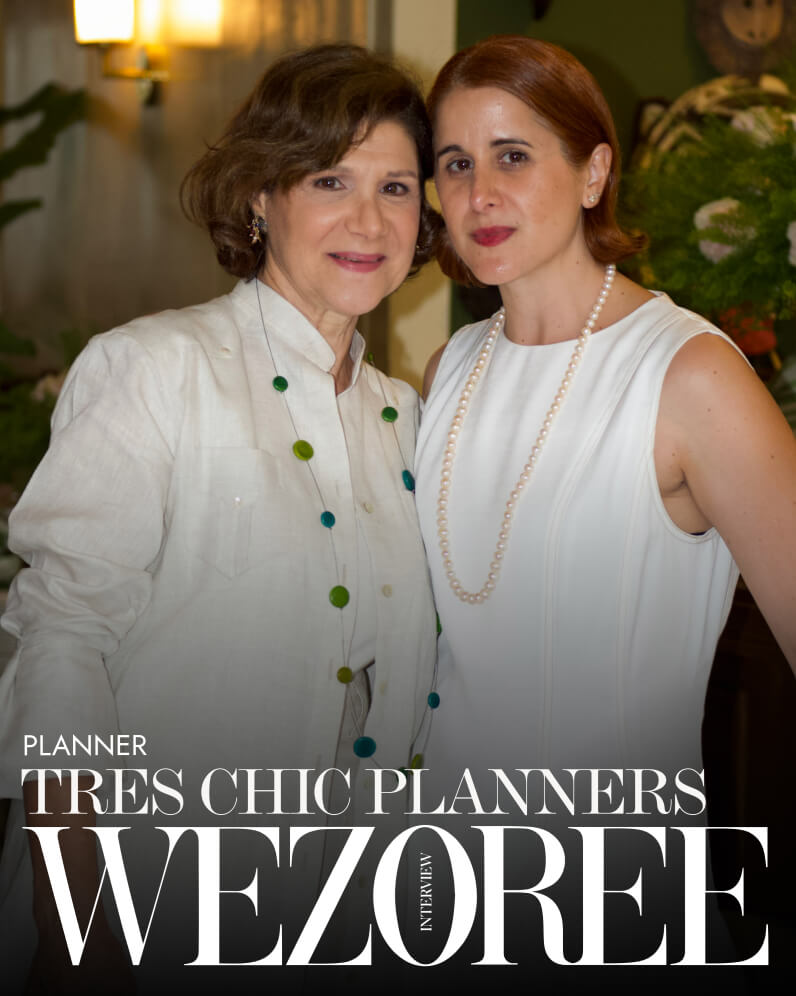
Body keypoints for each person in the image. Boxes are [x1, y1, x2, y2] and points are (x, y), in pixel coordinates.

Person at [0, 43, 439, 991]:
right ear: (260, 197)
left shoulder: (409, 422)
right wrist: (75, 906)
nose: (369, 220)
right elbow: (63, 636)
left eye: (397, 188)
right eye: (331, 179)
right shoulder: (154, 370)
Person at [414, 35, 796, 980]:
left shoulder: (690, 374)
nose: (480, 194)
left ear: (593, 172)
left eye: (512, 155)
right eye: (455, 164)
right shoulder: (449, 367)